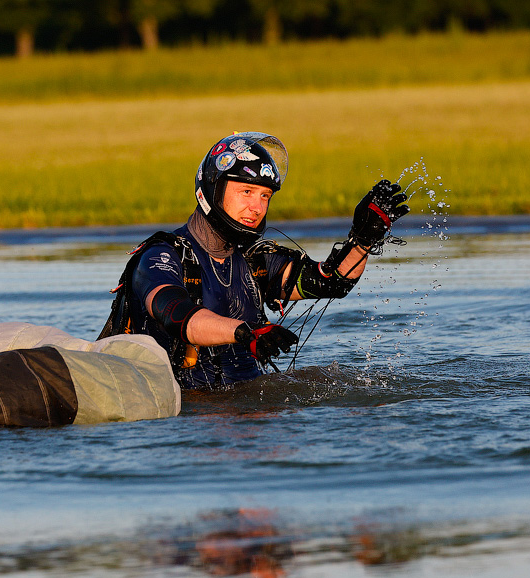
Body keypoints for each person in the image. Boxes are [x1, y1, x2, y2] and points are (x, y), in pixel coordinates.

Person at [99, 132, 409, 389]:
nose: (257, 207)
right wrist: (248, 332)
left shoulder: (256, 260)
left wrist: (362, 241)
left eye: (264, 196)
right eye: (246, 191)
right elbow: (175, 314)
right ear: (212, 190)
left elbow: (330, 281)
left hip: (247, 407)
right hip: (181, 416)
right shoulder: (162, 255)